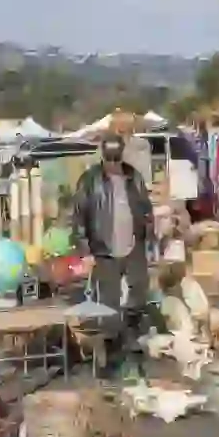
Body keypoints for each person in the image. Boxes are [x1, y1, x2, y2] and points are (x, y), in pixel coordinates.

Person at [71, 134, 154, 375]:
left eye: (116, 157)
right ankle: (110, 357)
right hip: (104, 249)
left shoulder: (133, 176)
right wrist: (85, 251)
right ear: (103, 155)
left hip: (133, 246)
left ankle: (130, 343)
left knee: (138, 294)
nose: (113, 163)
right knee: (108, 304)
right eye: (109, 158)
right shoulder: (90, 180)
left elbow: (145, 209)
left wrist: (149, 235)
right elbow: (79, 216)